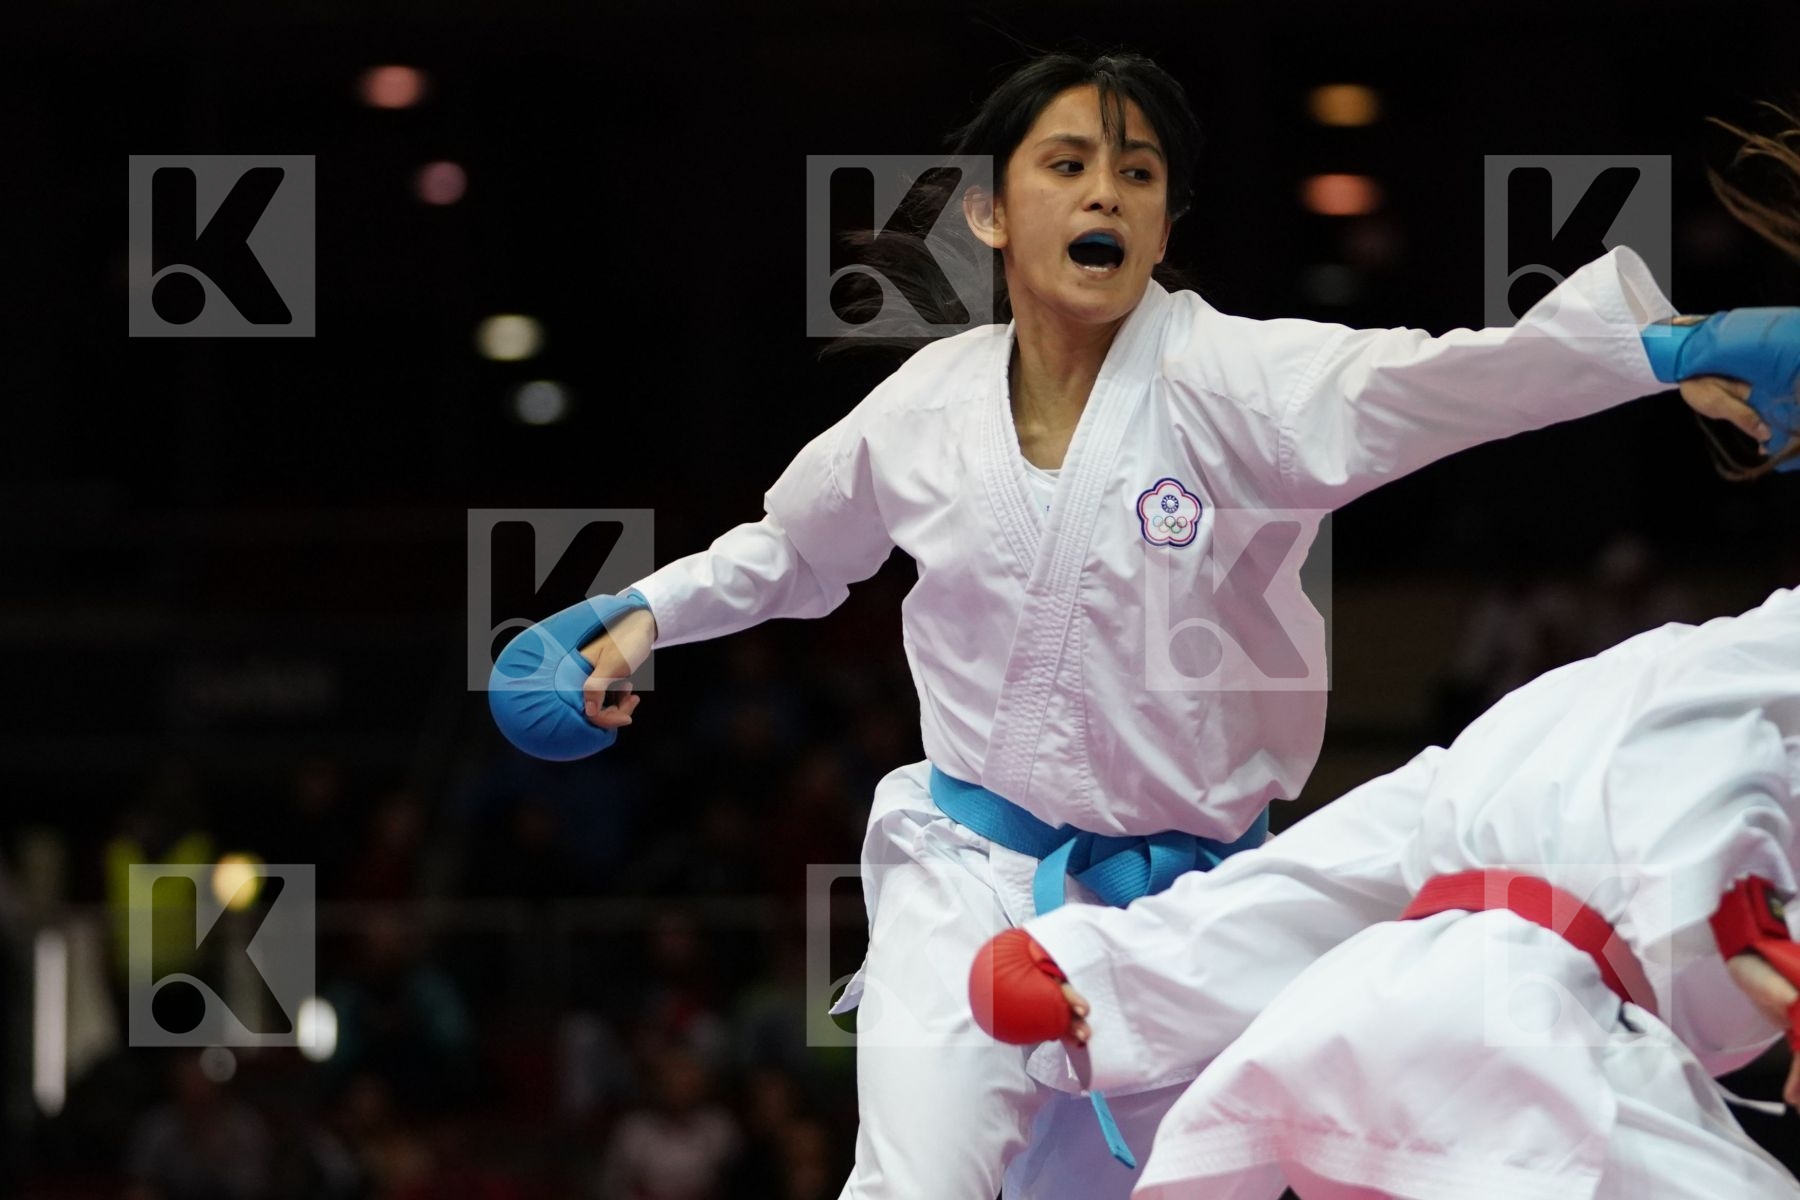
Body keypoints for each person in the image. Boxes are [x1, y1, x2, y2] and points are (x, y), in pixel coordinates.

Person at [489, 52, 1792, 1199]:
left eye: (1139, 172)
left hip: (1203, 916)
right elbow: (789, 552)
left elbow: (1432, 381)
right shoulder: (921, 408)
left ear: (1167, 222)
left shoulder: (1232, 382)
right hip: (971, 875)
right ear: (995, 212)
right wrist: (639, 614)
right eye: (1067, 164)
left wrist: (1668, 352)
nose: (1107, 193)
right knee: (912, 1181)